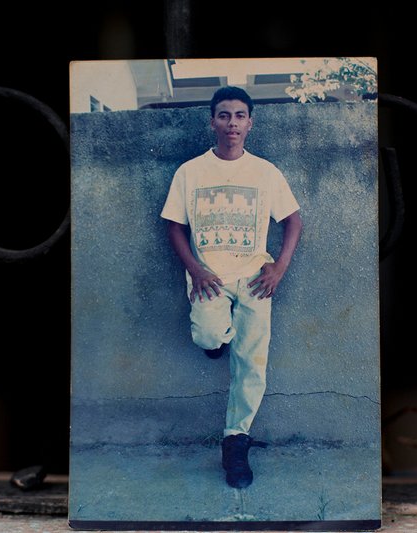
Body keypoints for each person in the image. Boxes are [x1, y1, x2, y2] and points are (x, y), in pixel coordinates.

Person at [160, 86, 303, 489]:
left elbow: (293, 221)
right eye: (224, 115)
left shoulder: (265, 172)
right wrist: (195, 268)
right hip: (210, 276)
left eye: (240, 115)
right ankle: (216, 340)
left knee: (252, 361)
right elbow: (174, 226)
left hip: (255, 277)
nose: (232, 123)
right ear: (212, 121)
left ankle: (236, 440)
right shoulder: (190, 172)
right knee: (207, 334)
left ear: (250, 123)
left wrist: (280, 266)